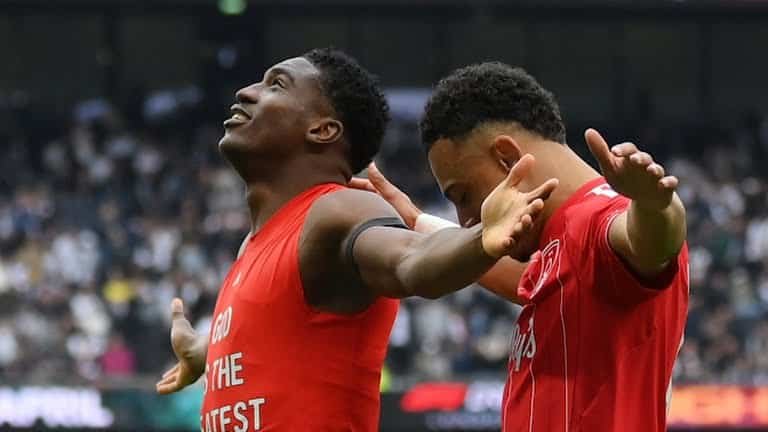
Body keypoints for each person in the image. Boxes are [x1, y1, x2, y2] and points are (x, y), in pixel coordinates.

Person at [154, 49, 558, 432]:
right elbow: (286, 332)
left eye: (276, 85)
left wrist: (482, 238)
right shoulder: (255, 245)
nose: (246, 92)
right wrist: (210, 352)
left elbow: (410, 262)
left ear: (323, 129)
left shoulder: (339, 210)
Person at [354, 62, 688, 432]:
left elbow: (654, 242)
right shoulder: (560, 246)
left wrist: (657, 206)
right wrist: (419, 223)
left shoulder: (599, 221)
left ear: (507, 157)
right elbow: (520, 277)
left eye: (463, 196)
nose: (465, 218)